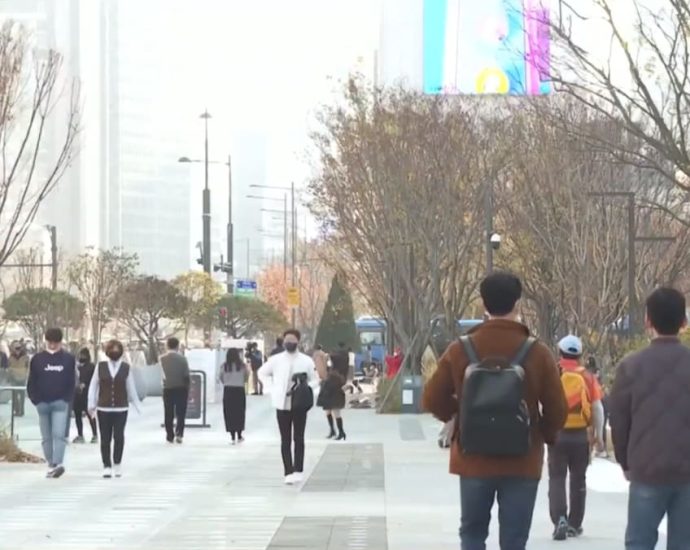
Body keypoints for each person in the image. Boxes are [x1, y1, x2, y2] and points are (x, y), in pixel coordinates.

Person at [422, 272, 567, 550]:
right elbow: (558, 410)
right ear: (517, 304)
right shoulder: (537, 352)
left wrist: (458, 415)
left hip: (473, 457)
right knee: (514, 540)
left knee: (473, 534)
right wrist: (541, 434)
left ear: (484, 305)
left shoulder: (460, 349)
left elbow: (431, 397)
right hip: (523, 460)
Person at [609, 287, 690, 549]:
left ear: (648, 320)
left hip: (646, 468)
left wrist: (625, 461)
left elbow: (619, 422)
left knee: (639, 542)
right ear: (684, 322)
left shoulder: (630, 366)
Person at [548, 335, 605, 541]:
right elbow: (597, 408)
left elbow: (540, 403)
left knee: (556, 477)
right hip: (580, 435)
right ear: (580, 355)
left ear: (559, 352)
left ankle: (559, 519)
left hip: (557, 434)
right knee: (578, 478)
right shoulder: (588, 376)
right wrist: (599, 436)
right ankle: (574, 523)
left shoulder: (553, 373)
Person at [258, 329, 319, 485]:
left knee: (299, 437)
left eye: (292, 340)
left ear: (298, 341)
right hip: (282, 403)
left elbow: (316, 379)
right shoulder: (276, 359)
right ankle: (288, 471)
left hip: (299, 404)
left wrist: (306, 387)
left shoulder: (306, 361)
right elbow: (262, 373)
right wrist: (271, 388)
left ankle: (299, 469)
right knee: (285, 439)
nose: (289, 342)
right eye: (287, 340)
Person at [88, 339, 142, 478]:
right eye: (112, 350)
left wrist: (138, 406)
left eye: (117, 350)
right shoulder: (100, 366)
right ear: (107, 352)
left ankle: (117, 463)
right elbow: (93, 386)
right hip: (103, 408)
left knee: (119, 436)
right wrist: (91, 404)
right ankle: (106, 465)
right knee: (105, 438)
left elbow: (131, 388)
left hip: (121, 408)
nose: (114, 352)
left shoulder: (125, 368)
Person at [26, 328, 76, 479]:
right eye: (50, 342)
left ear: (60, 342)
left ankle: (57, 463)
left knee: (59, 434)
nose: (52, 345)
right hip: (42, 403)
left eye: (55, 342)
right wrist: (35, 399)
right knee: (46, 437)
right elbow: (31, 381)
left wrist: (67, 398)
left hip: (60, 403)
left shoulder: (68, 359)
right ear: (46, 341)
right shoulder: (37, 359)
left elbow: (71, 380)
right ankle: (50, 463)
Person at [160, 337, 190, 444]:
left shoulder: (162, 359)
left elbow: (160, 375)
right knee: (180, 413)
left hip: (167, 388)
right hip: (181, 388)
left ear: (167, 345)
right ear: (178, 346)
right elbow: (186, 375)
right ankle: (179, 434)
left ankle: (169, 435)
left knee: (168, 413)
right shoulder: (183, 359)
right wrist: (188, 388)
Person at [218, 347, 249, 444]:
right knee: (239, 413)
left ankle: (232, 436)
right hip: (239, 390)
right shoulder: (242, 366)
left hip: (228, 390)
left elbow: (221, 377)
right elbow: (246, 377)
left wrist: (227, 382)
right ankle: (239, 435)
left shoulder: (224, 366)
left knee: (229, 413)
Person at [317, 345, 347, 440]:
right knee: (329, 411)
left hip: (332, 391)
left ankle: (340, 432)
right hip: (330, 391)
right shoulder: (337, 369)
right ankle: (334, 430)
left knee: (335, 412)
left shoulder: (335, 370)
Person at [72, 348, 98, 444]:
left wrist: (85, 384)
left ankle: (95, 435)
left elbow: (94, 380)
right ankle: (80, 435)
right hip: (77, 395)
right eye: (80, 355)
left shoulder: (91, 367)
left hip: (87, 395)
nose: (81, 357)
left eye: (83, 355)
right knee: (78, 416)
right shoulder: (76, 367)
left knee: (90, 415)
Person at [8, 341, 29, 417]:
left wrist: (27, 375)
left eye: (19, 348)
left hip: (22, 377)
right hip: (14, 377)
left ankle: (21, 411)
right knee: (14, 395)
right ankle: (16, 410)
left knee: (22, 395)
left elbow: (28, 367)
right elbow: (9, 367)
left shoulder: (25, 357)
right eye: (16, 348)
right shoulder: (11, 357)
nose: (17, 350)